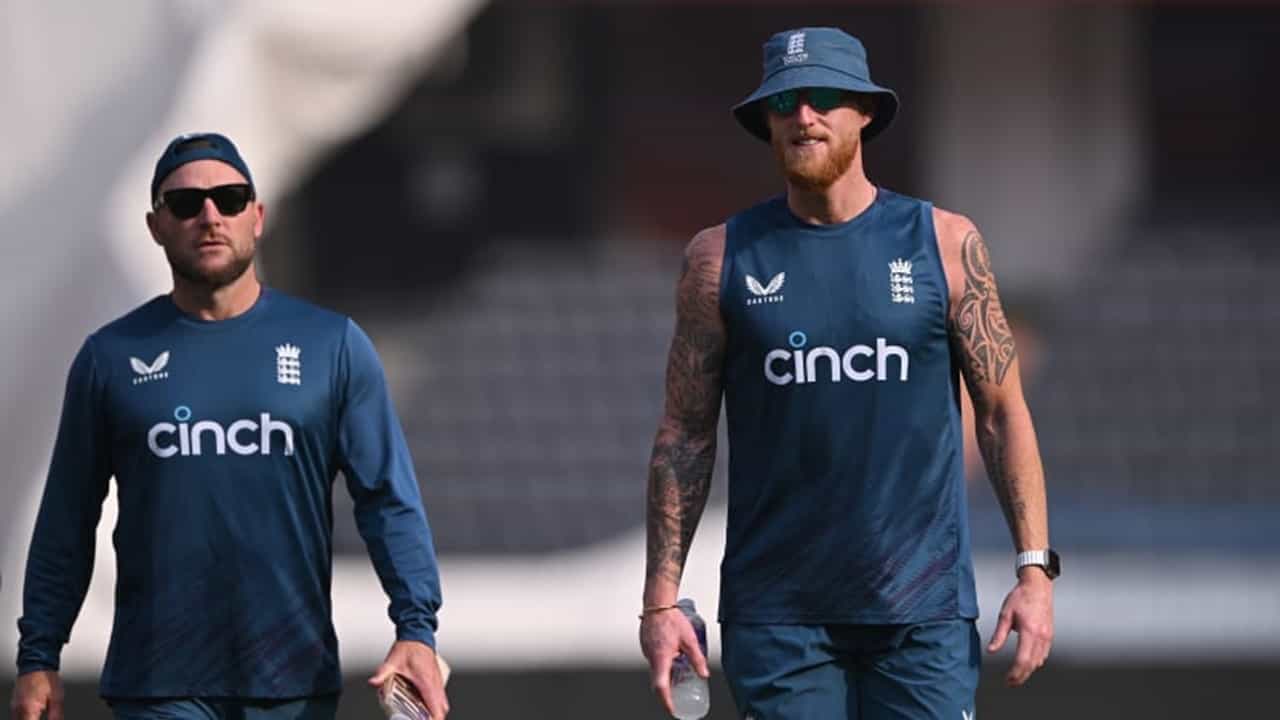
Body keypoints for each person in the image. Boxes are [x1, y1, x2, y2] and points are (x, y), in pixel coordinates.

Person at [640, 28, 1057, 719]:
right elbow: (684, 436)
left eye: (824, 98)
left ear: (864, 111)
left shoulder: (946, 244)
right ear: (767, 122)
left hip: (921, 614)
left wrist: (1034, 570)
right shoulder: (718, 259)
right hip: (778, 619)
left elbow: (1002, 412)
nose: (803, 116)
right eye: (784, 102)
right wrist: (659, 602)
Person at [11, 133, 449, 720]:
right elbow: (67, 519)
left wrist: (416, 629)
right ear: (156, 226)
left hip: (291, 684)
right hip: (158, 687)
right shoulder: (109, 358)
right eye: (186, 204)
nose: (210, 216)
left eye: (230, 198)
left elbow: (387, 499)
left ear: (257, 217)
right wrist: (39, 655)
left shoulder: (333, 347)